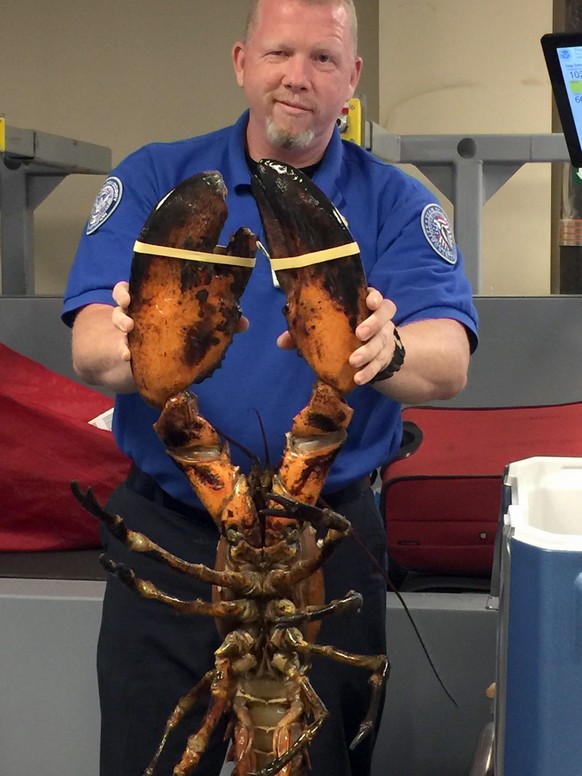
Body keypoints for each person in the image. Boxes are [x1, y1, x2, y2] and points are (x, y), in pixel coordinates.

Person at [63, 1, 478, 774]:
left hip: (321, 543)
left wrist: (385, 350)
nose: (298, 77)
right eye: (280, 52)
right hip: (175, 530)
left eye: (324, 59)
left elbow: (448, 359)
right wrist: (151, 342)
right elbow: (92, 348)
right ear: (241, 60)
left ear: (352, 78)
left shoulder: (398, 200)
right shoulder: (156, 177)